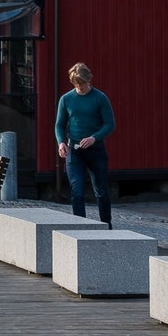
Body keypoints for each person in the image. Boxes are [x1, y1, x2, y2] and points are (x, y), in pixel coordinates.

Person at [54, 62, 115, 225]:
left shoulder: (99, 98)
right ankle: (81, 227)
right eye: (76, 85)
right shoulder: (66, 99)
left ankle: (106, 225)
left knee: (101, 191)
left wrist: (94, 137)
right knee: (77, 191)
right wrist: (61, 142)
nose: (80, 88)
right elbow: (60, 124)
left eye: (82, 84)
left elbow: (110, 124)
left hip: (96, 150)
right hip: (74, 150)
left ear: (89, 80)